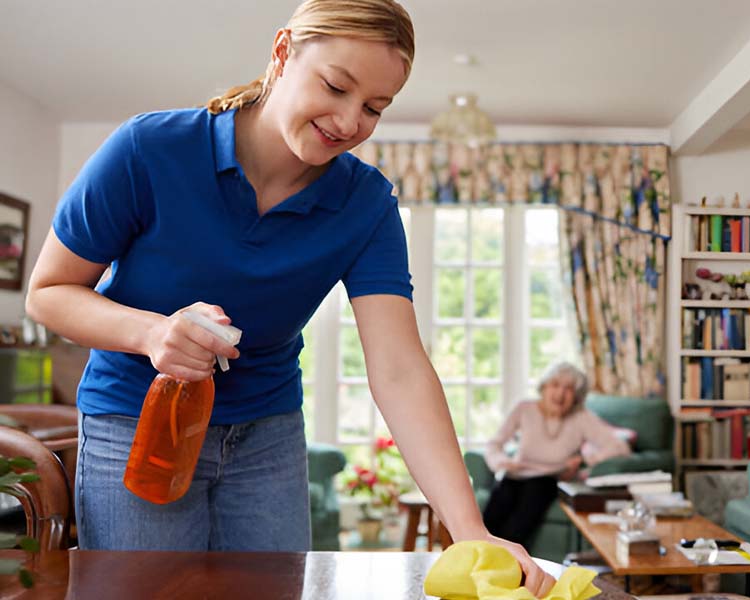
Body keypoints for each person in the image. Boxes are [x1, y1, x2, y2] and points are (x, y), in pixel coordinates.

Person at [25, 0, 555, 595]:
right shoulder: (149, 150)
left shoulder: (366, 204)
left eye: (375, 107)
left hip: (266, 436)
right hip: (137, 425)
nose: (350, 121)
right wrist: (150, 333)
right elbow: (48, 293)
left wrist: (470, 530)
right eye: (336, 86)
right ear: (282, 52)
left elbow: (400, 369)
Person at [483, 362, 631, 545]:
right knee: (492, 515)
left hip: (549, 480)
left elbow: (619, 447)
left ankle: (509, 564)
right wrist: (501, 461)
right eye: (555, 385)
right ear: (544, 387)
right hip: (516, 475)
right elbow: (493, 444)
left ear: (576, 396)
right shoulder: (524, 408)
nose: (560, 394)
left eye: (568, 389)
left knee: (521, 518)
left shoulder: (581, 417)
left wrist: (584, 460)